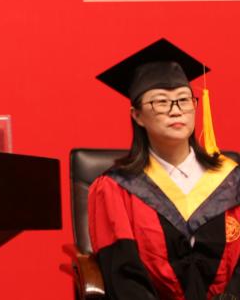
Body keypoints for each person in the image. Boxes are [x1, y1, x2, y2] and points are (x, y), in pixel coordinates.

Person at [88, 38, 240, 299]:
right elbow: (124, 278)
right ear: (137, 115)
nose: (175, 111)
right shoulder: (116, 189)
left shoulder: (231, 181)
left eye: (183, 100)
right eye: (161, 102)